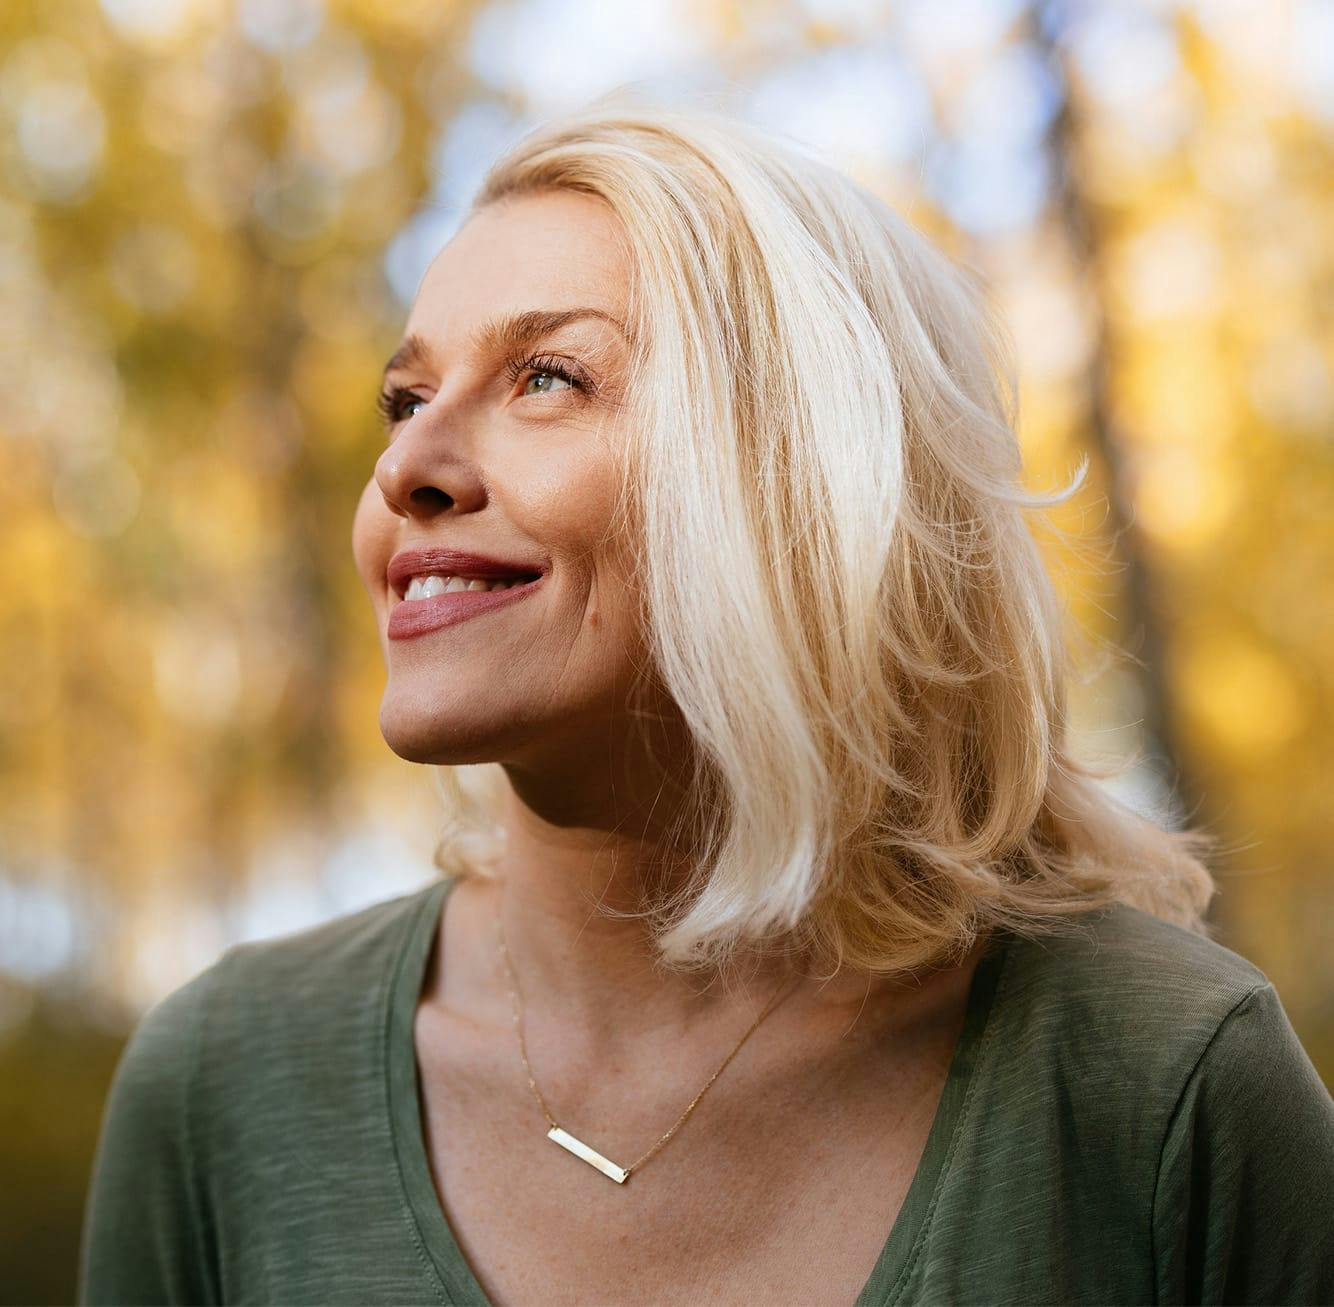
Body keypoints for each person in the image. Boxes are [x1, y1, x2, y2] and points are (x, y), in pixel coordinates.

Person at [78, 94, 1334, 1307]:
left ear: (802, 474)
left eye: (547, 378)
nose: (406, 464)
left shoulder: (1165, 1082)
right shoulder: (224, 1084)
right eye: (404, 400)